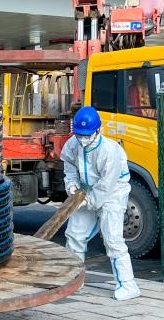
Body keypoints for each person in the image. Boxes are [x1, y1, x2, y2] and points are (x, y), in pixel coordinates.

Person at [60, 106, 140, 301]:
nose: (83, 139)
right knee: (74, 235)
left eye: (87, 135)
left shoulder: (110, 151)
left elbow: (106, 185)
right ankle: (74, 281)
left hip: (113, 194)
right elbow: (70, 170)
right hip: (86, 191)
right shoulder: (72, 145)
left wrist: (89, 200)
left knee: (113, 239)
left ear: (98, 131)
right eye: (80, 135)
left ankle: (128, 285)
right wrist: (72, 187)